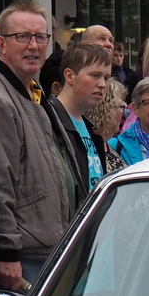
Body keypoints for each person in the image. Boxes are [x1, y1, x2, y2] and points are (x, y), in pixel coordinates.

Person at [0, 0, 83, 290]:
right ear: (1, 43)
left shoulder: (27, 93)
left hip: (38, 248)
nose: (34, 45)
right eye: (23, 37)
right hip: (16, 257)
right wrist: (6, 251)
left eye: (41, 37)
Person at [46, 42, 117, 189]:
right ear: (70, 76)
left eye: (106, 78)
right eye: (95, 75)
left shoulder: (90, 128)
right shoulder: (47, 121)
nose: (103, 84)